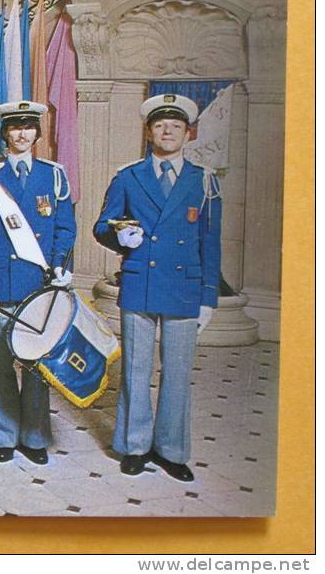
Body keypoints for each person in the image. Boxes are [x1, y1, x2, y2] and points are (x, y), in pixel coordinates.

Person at [93, 93, 222, 482]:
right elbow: (103, 226)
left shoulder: (204, 181)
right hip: (141, 283)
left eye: (176, 126)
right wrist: (122, 240)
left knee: (178, 373)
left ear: (189, 133)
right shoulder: (129, 176)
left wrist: (208, 298)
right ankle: (134, 446)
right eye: (161, 126)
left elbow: (210, 242)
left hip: (185, 287)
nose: (168, 131)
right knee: (135, 369)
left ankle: (172, 450)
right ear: (148, 132)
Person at [0, 101, 76, 465]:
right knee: (0, 361)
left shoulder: (54, 175)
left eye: (29, 127)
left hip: (39, 285)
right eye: (14, 127)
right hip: (3, 284)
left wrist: (62, 266)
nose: (22, 134)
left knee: (35, 363)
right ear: (5, 133)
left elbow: (65, 228)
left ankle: (33, 436)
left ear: (37, 133)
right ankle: (3, 434)